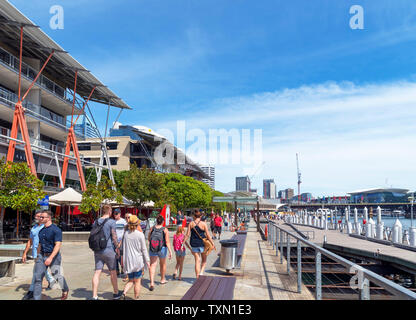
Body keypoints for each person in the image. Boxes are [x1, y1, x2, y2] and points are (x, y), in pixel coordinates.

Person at [33, 210, 69, 300]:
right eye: (40, 217)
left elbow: (58, 245)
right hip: (42, 255)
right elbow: (40, 245)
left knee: (57, 276)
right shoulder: (41, 231)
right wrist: (38, 256)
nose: (40, 218)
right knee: (38, 278)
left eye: (42, 217)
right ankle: (36, 298)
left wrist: (50, 258)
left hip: (54, 256)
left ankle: (65, 289)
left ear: (48, 218)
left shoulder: (56, 230)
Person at [90, 204, 122, 300]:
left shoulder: (96, 221)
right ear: (109, 211)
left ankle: (94, 295)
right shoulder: (112, 222)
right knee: (113, 272)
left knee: (97, 272)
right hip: (108, 250)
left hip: (97, 250)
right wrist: (117, 248)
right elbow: (114, 236)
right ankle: (116, 293)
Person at [22, 212, 55, 300]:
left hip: (43, 253)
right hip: (35, 253)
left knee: (36, 272)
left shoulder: (46, 227)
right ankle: (51, 280)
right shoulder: (34, 227)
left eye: (39, 216)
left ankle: (31, 291)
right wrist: (25, 253)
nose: (37, 218)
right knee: (39, 271)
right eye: (36, 216)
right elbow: (30, 241)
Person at [120, 215, 150, 300]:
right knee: (137, 281)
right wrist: (147, 261)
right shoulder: (140, 235)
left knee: (130, 280)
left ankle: (124, 293)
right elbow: (144, 249)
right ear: (137, 224)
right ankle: (136, 297)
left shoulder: (126, 234)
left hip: (128, 261)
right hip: (137, 261)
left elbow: (124, 248)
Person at [184, 209, 216, 279]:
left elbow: (187, 235)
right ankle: (201, 272)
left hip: (194, 243)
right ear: (200, 216)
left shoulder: (191, 223)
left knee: (197, 261)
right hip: (202, 244)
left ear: (194, 216)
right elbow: (208, 235)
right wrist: (212, 243)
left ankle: (197, 277)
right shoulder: (203, 224)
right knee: (204, 260)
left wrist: (182, 242)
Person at [148, 215, 173, 291]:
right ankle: (162, 279)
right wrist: (170, 251)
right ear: (162, 222)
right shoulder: (165, 229)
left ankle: (152, 283)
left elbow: (149, 238)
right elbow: (167, 241)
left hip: (153, 248)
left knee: (152, 265)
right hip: (162, 248)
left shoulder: (152, 228)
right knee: (162, 264)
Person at [113, 208, 127, 276]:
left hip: (121, 241)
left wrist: (121, 242)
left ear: (119, 214)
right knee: (114, 256)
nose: (115, 215)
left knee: (121, 256)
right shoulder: (113, 222)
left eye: (116, 213)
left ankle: (122, 268)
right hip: (114, 241)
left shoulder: (123, 221)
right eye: (114, 213)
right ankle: (117, 270)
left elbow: (125, 232)